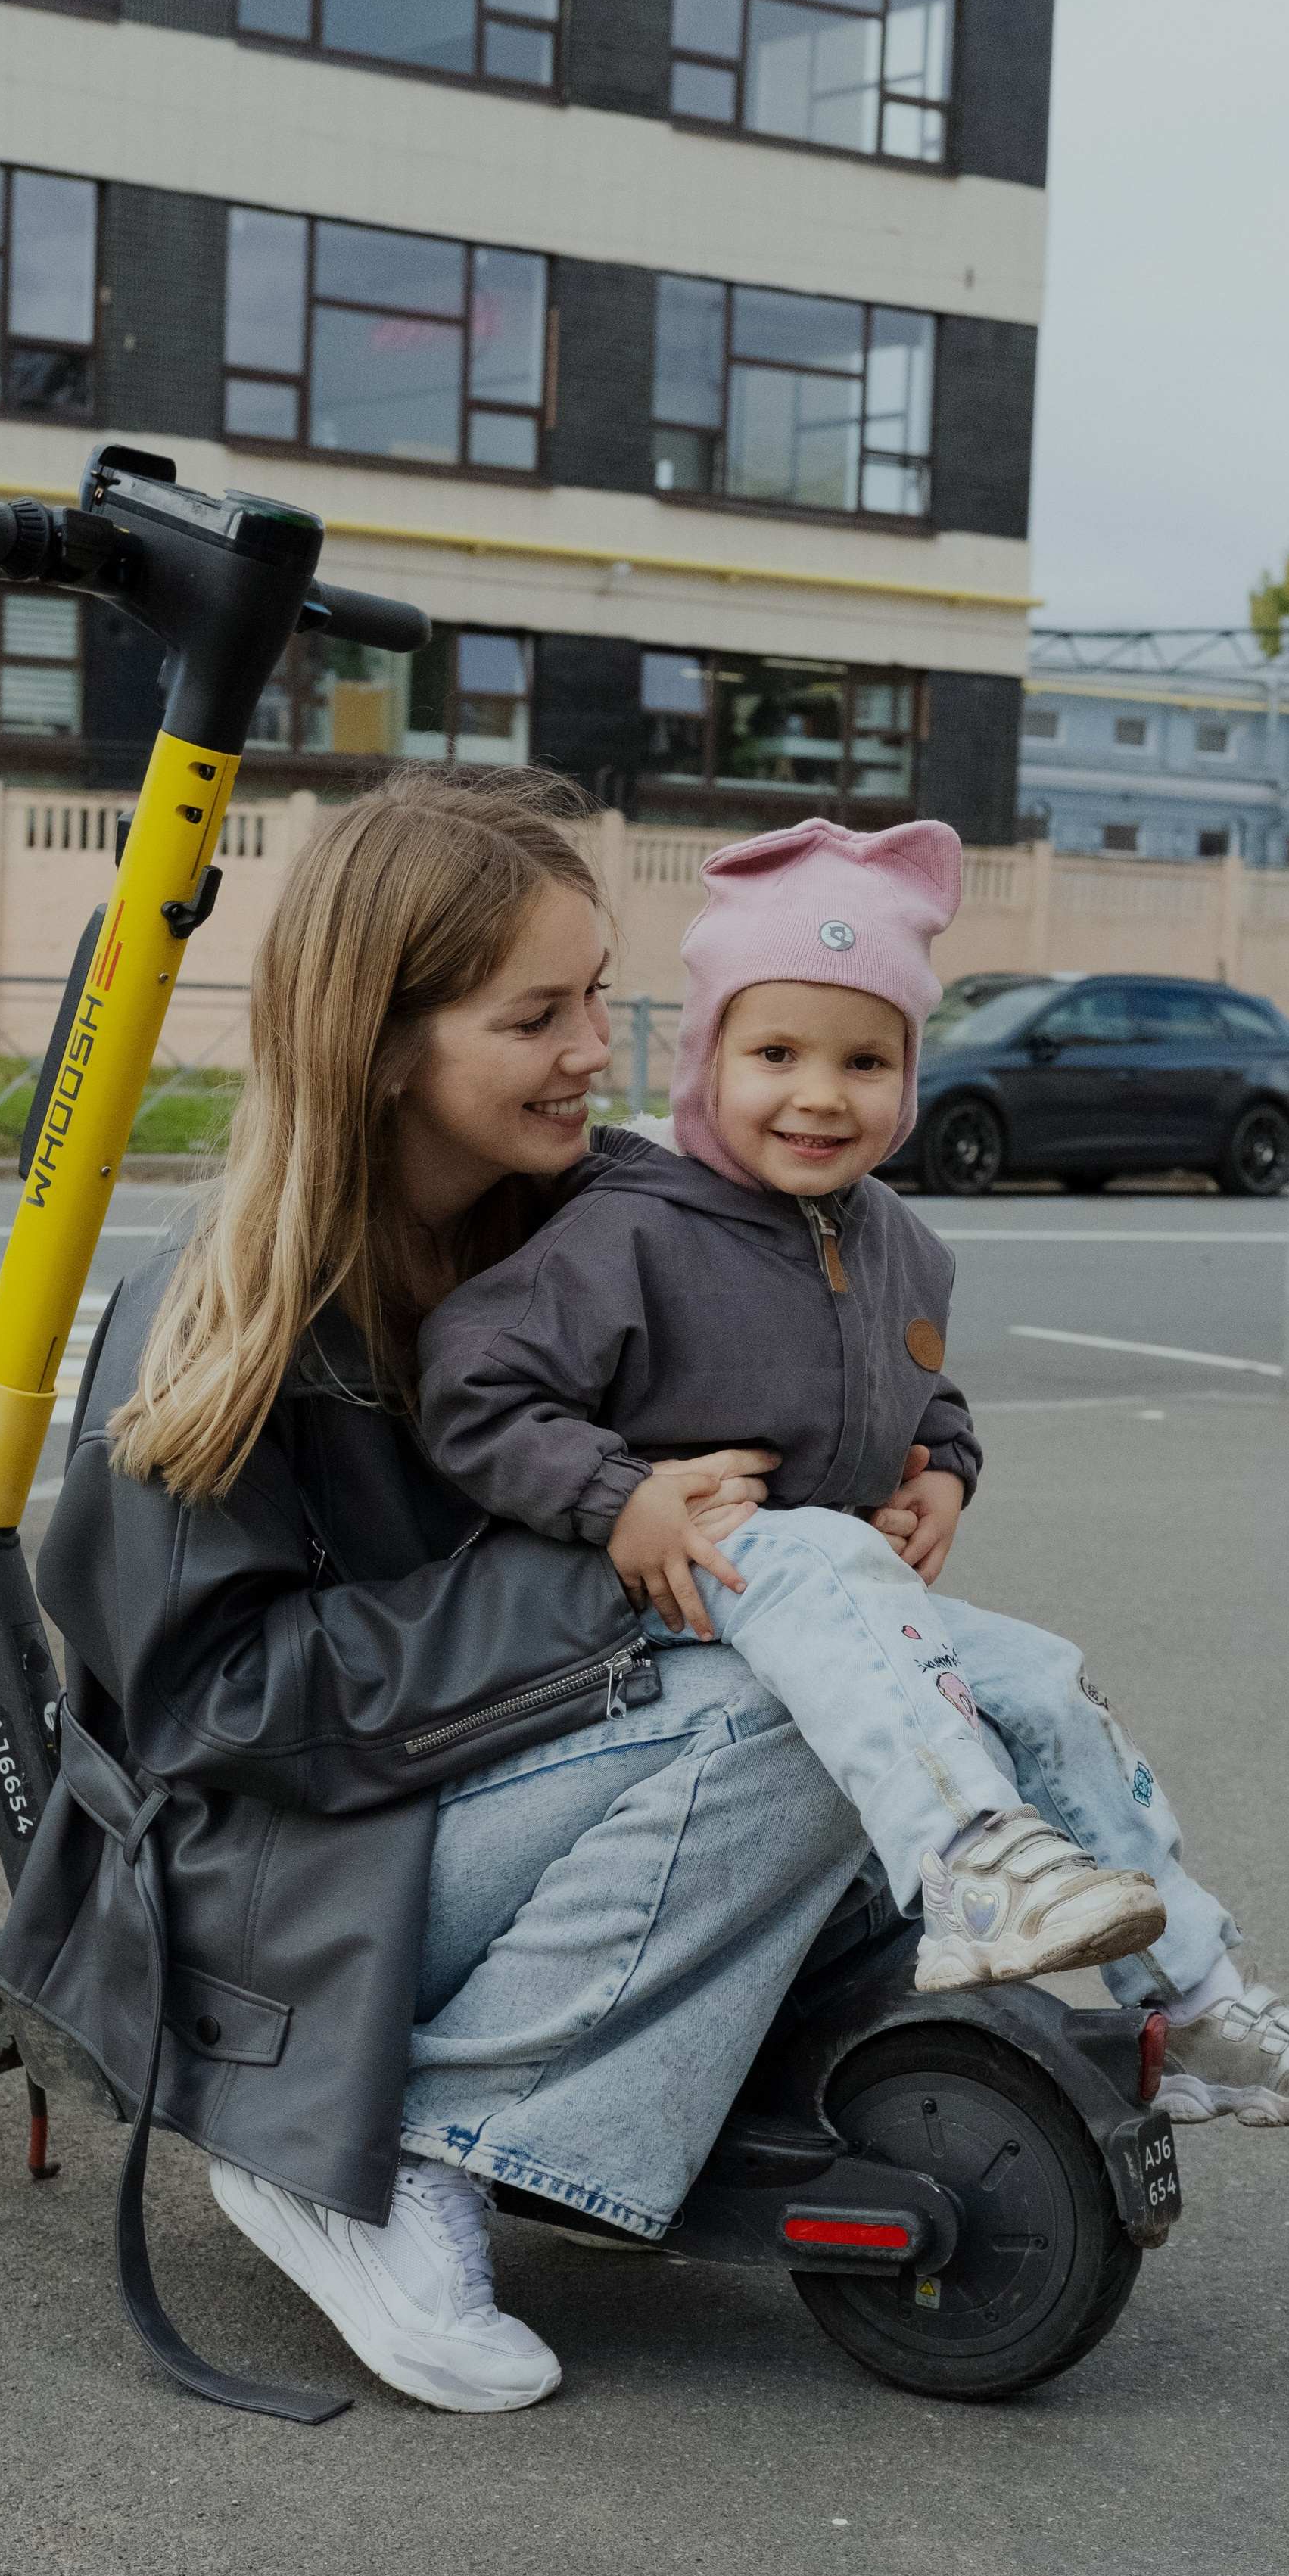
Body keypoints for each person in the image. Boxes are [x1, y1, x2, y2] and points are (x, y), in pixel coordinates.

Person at [0, 767, 1289, 2424]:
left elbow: (819, 1404)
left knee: (925, 1679)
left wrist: (905, 1482)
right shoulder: (218, 1309)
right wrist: (617, 1582)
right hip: (283, 1892)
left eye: (595, 992)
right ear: (380, 1043)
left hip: (477, 1802)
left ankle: (1173, 1986)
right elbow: (204, 1711)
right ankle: (379, 2151)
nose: (597, 1045)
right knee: (793, 1710)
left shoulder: (593, 1224)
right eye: (537, 1015)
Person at [418, 814, 1181, 2003]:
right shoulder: (631, 1230)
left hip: (835, 1608)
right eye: (776, 1054)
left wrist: (947, 1469)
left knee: (1039, 1676)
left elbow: (924, 1380)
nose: (820, 1098)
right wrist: (619, 1501)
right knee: (831, 1559)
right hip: (659, 1618)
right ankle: (973, 1864)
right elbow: (473, 1387)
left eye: (864, 1064)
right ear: (706, 1060)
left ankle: (1193, 1990)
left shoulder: (897, 1243)